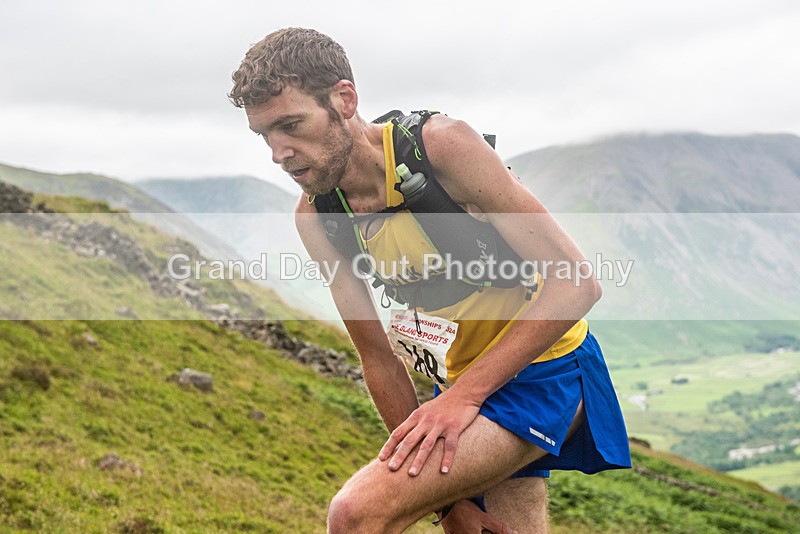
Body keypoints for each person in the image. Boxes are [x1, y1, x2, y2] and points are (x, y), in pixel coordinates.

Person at [229, 27, 631, 534]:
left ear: (344, 99)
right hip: (460, 382)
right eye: (264, 135)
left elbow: (576, 284)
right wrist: (448, 503)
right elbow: (378, 357)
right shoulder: (318, 216)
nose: (279, 152)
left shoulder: (442, 147)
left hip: (545, 371)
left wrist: (463, 399)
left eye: (291, 125)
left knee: (354, 514)